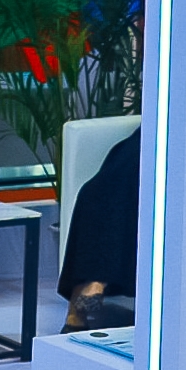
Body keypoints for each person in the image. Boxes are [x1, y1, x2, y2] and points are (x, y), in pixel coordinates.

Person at [58, 133, 138, 331]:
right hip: (158, 128)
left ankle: (82, 302)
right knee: (94, 192)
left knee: (136, 192)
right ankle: (92, 284)